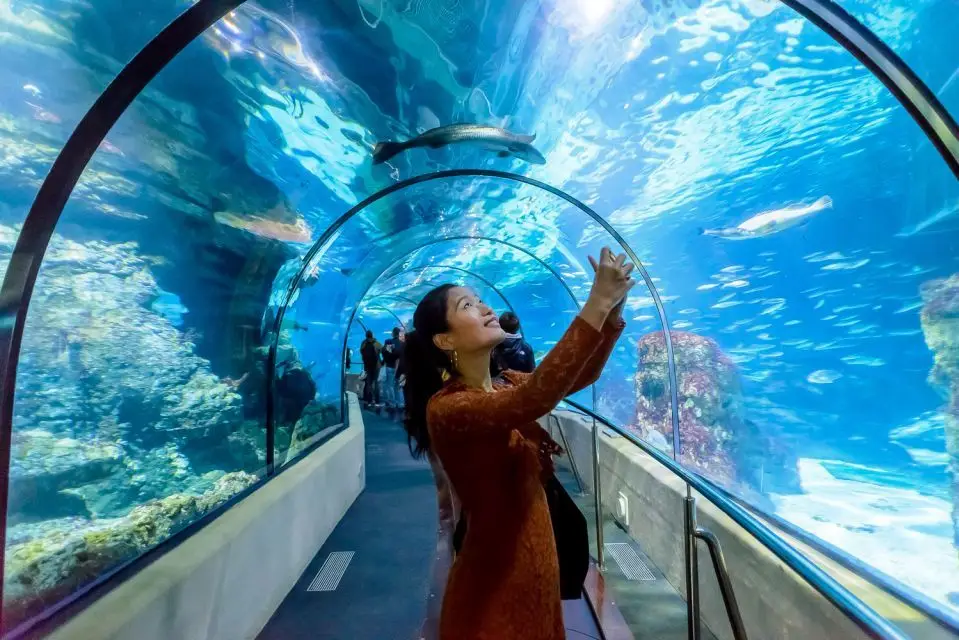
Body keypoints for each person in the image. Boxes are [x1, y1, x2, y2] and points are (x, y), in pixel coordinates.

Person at [402, 247, 634, 640]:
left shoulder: (505, 382)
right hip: (493, 591)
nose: (486, 307)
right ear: (444, 339)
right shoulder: (450, 408)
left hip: (536, 581)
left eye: (481, 300)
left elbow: (577, 376)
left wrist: (611, 316)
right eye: (468, 305)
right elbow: (539, 396)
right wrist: (595, 302)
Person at [490, 311, 535, 377]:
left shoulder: (492, 347)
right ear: (518, 327)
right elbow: (532, 373)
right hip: (521, 384)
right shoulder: (526, 348)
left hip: (499, 385)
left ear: (499, 326)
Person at [380, 327, 405, 416]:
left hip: (390, 366)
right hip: (400, 369)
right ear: (399, 334)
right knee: (397, 386)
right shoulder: (402, 344)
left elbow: (384, 352)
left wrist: (385, 360)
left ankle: (392, 403)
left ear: (393, 333)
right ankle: (400, 403)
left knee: (390, 385)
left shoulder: (388, 342)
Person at [360, 330, 382, 409]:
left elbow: (361, 353)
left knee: (368, 383)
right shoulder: (377, 343)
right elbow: (384, 351)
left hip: (367, 366)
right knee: (376, 383)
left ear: (366, 335)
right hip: (376, 366)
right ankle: (377, 400)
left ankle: (368, 400)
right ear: (372, 335)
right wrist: (382, 362)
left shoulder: (363, 343)